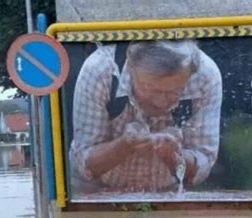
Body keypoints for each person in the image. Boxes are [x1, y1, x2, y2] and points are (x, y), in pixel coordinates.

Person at [69, 40, 222, 193]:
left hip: (168, 193)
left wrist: (173, 155)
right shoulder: (100, 70)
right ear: (130, 67)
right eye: (149, 88)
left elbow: (203, 164)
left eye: (175, 91)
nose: (160, 102)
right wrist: (124, 145)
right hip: (96, 190)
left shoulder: (205, 76)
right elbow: (83, 162)